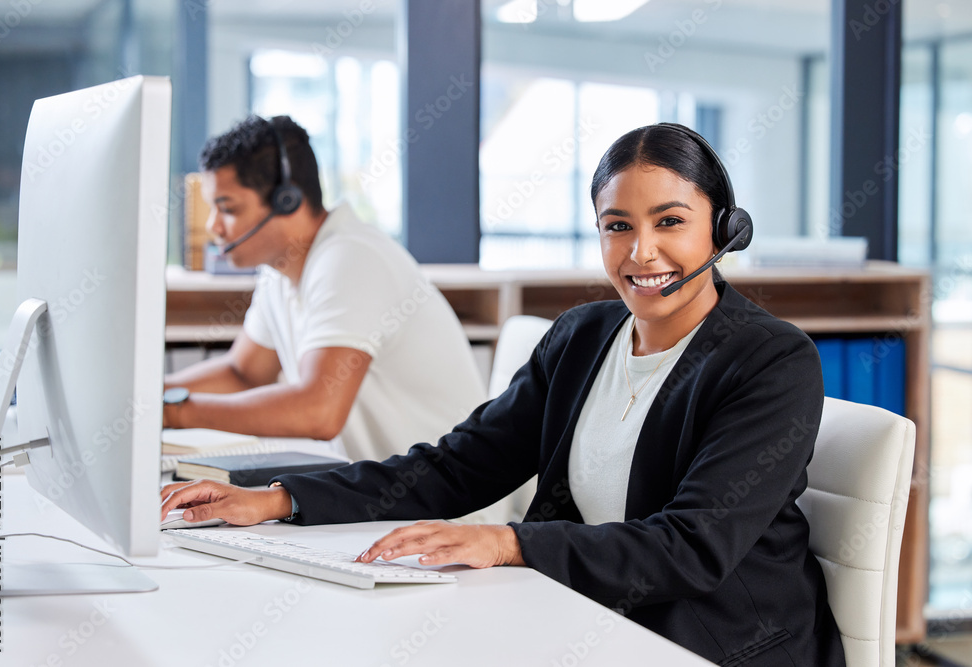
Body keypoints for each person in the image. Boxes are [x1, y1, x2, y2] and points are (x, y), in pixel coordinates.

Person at [161, 123, 847, 666]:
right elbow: (457, 465)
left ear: (721, 228)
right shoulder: (583, 337)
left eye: (670, 222)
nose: (641, 252)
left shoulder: (770, 360)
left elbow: (692, 548)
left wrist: (509, 542)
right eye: (618, 226)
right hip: (593, 616)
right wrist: (282, 497)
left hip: (718, 642)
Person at [163, 115, 485, 464]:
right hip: (384, 493)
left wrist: (174, 413)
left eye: (227, 209)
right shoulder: (281, 272)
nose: (213, 227)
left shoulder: (350, 259)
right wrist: (151, 397)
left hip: (450, 506)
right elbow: (244, 373)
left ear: (287, 201)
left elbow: (317, 412)